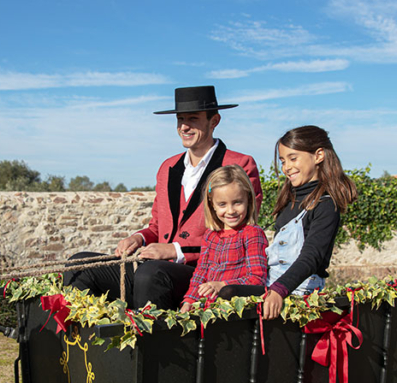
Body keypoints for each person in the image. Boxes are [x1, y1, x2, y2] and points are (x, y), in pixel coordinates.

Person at [64, 86, 262, 309]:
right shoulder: (167, 167)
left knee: (151, 272)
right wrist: (139, 238)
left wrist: (175, 250)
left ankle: (152, 342)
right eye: (180, 119)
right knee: (78, 266)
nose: (184, 126)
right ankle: (88, 340)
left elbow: (238, 230)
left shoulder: (239, 164)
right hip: (157, 269)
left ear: (214, 121)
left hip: (205, 273)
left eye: (193, 119)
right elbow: (157, 227)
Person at [260, 125, 358, 320]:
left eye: (293, 158)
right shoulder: (289, 201)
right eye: (282, 161)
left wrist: (280, 290)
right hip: (273, 287)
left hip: (299, 293)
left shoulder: (326, 205)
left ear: (318, 155)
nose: (286, 167)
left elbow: (311, 257)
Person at [179, 166, 268, 312]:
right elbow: (200, 274)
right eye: (222, 204)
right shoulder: (210, 236)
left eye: (237, 202)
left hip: (235, 310)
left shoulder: (252, 233)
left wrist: (223, 285)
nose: (231, 211)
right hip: (208, 309)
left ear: (249, 200)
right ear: (212, 205)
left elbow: (257, 279)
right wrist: (189, 300)